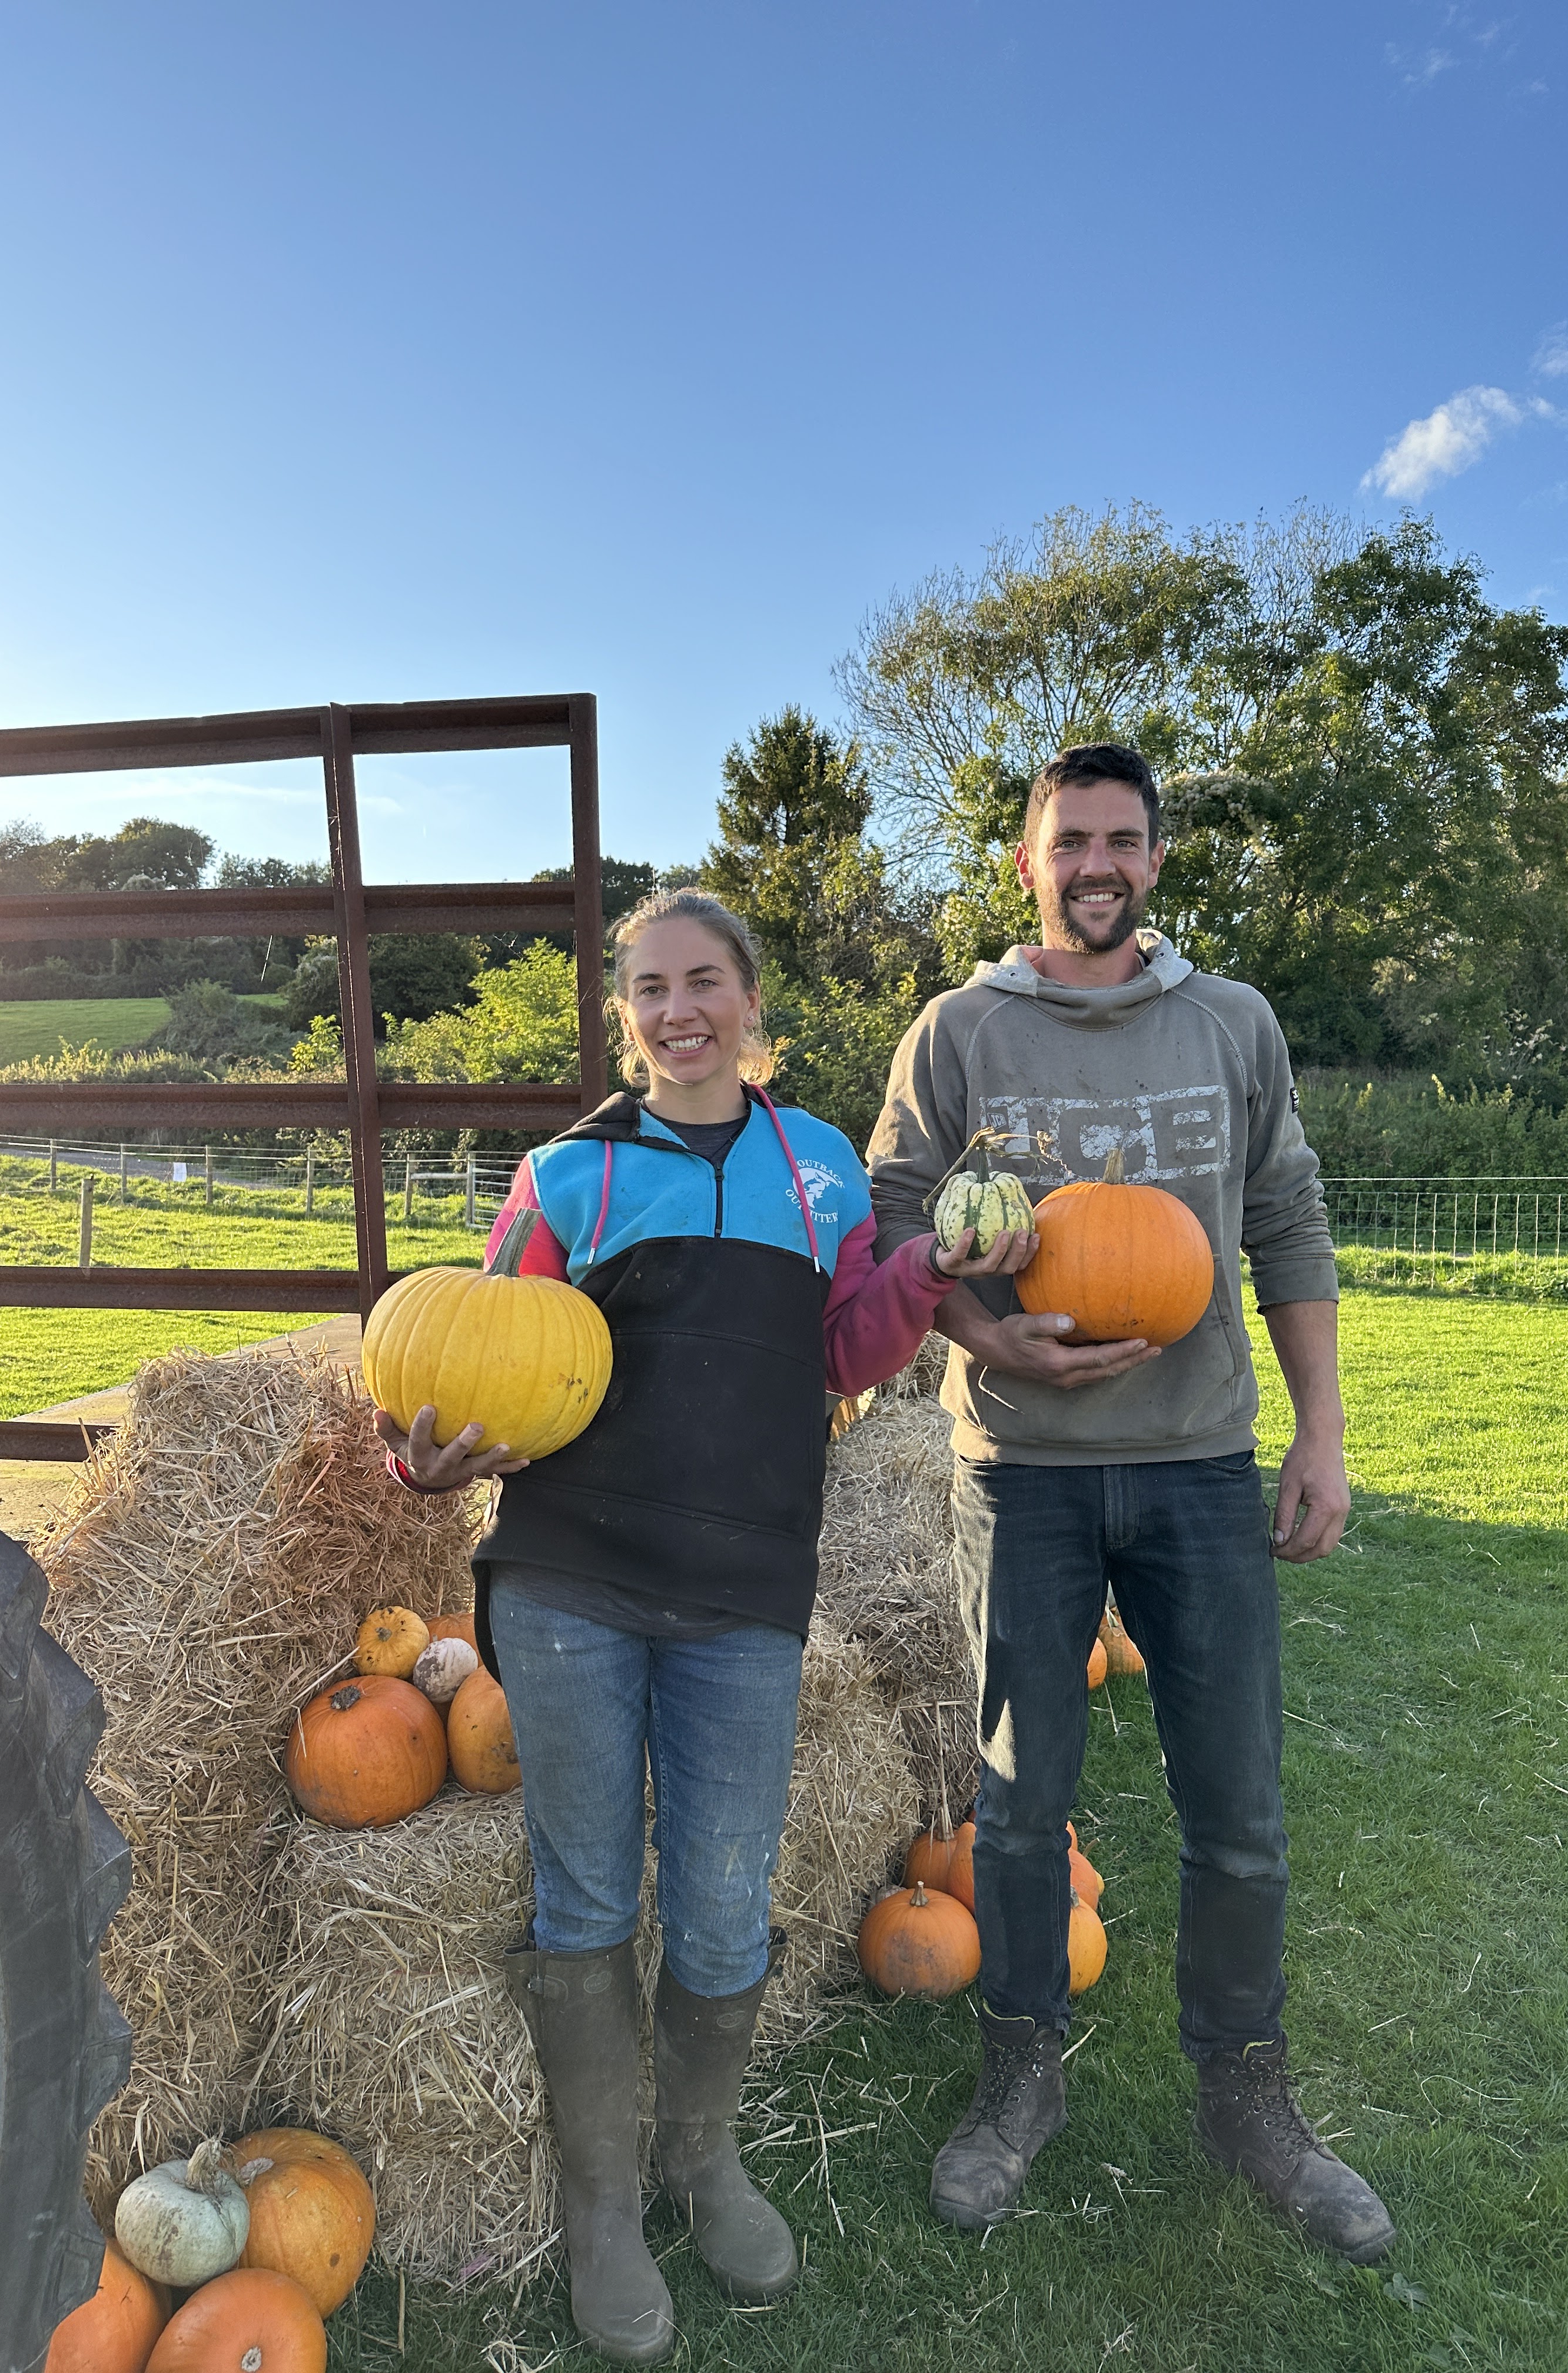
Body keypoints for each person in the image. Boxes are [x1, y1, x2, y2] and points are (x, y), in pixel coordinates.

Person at [374, 888, 1031, 2364]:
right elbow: (481, 1360)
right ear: (625, 1016)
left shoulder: (817, 1173)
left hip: (744, 1586)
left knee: (728, 1898)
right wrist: (427, 1461)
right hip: (569, 1584)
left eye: (706, 982)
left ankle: (703, 2158)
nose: (681, 1011)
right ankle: (606, 2207)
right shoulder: (569, 1176)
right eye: (652, 989)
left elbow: (848, 1351)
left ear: (749, 998)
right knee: (587, 1897)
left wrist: (919, 1275)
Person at [866, 744, 1396, 2263]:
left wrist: (1323, 1434)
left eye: (1121, 840)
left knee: (1237, 1807)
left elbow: (1286, 1217)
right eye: (1068, 841)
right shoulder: (960, 1032)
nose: (1095, 863)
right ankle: (1019, 2076)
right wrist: (980, 1333)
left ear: (1155, 860)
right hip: (1020, 1473)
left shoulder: (1232, 1023)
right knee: (1022, 1806)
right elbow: (899, 1226)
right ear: (1026, 862)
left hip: (1198, 1466)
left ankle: (1249, 2096)